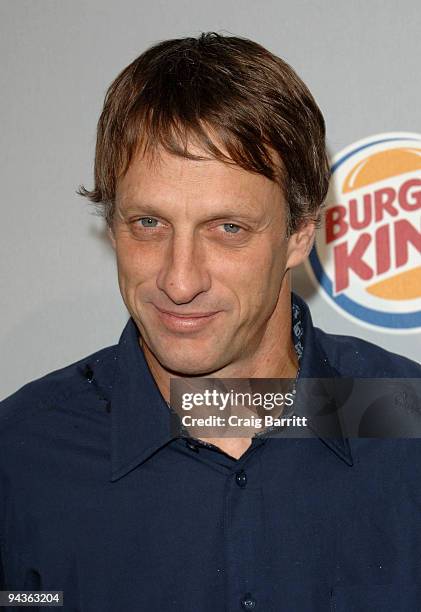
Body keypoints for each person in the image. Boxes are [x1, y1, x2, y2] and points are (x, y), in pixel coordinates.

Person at [1, 32, 420, 612]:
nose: (179, 281)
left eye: (228, 229)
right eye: (148, 223)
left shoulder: (406, 422)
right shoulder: (21, 456)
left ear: (300, 234)